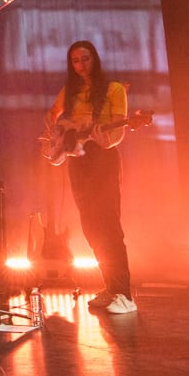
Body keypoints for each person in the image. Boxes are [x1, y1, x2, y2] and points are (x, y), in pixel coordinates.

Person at [45, 40, 136, 314]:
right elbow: (51, 116)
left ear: (94, 59)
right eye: (75, 60)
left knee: (108, 225)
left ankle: (125, 295)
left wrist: (105, 141)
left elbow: (119, 128)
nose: (81, 65)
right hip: (78, 160)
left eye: (85, 58)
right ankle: (110, 288)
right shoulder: (69, 92)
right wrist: (63, 128)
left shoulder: (114, 89)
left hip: (103, 159)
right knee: (91, 227)